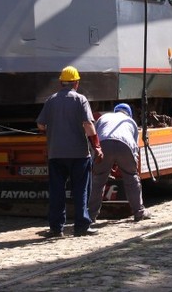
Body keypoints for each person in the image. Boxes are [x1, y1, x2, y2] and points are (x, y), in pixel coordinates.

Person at [37, 65, 103, 238]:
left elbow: (41, 125)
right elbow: (88, 125)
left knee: (57, 191)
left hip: (56, 154)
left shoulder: (51, 100)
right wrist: (96, 146)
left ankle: (56, 228)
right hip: (79, 154)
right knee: (81, 190)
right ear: (76, 83)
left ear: (61, 83)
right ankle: (81, 227)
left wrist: (52, 128)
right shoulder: (80, 100)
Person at [88, 103, 151, 223]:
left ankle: (91, 215)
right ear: (129, 114)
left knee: (98, 180)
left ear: (115, 111)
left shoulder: (103, 118)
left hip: (104, 144)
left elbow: (94, 137)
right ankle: (139, 212)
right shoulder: (130, 121)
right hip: (125, 145)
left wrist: (97, 160)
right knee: (131, 179)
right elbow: (134, 147)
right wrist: (132, 167)